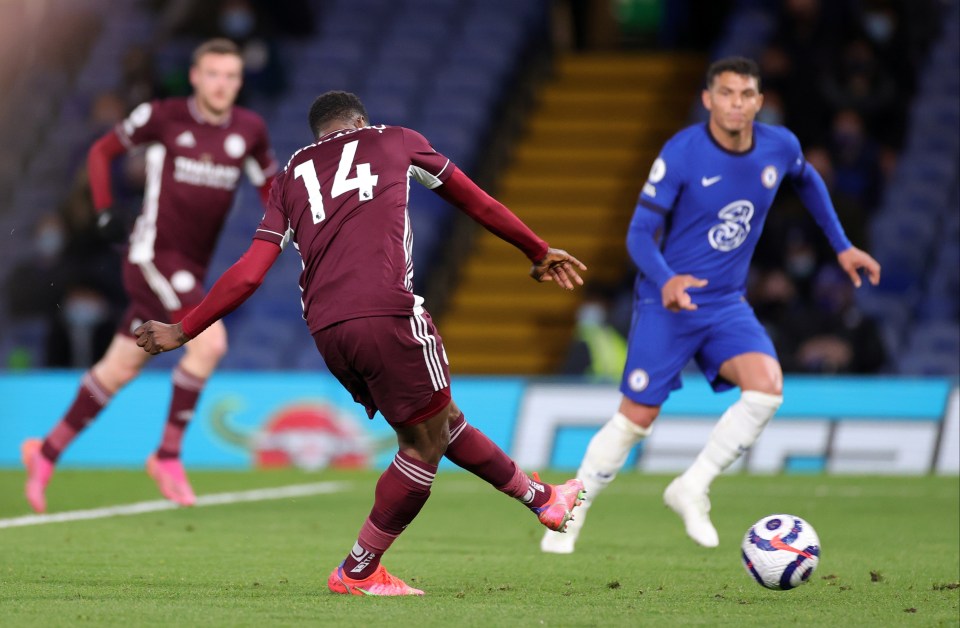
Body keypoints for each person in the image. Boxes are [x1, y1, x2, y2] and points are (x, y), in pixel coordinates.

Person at [133, 91, 589, 596]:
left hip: (328, 331)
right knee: (423, 445)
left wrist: (183, 329)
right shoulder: (395, 141)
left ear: (319, 135)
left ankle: (543, 499)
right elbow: (474, 199)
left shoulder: (289, 177)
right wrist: (537, 249)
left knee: (442, 421)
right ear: (359, 122)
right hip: (387, 313)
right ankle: (359, 569)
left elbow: (249, 273)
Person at [541, 56, 881, 554]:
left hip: (725, 302)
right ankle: (574, 509)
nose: (736, 104)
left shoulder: (779, 145)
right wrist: (667, 279)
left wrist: (842, 244)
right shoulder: (682, 153)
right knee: (637, 417)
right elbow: (637, 234)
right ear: (708, 99)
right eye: (726, 93)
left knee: (766, 389)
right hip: (668, 302)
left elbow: (806, 179)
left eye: (746, 95)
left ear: (759, 102)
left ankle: (692, 486)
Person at [21, 38, 278, 512]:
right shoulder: (164, 116)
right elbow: (102, 152)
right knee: (210, 342)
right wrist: (103, 210)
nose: (222, 84)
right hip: (153, 255)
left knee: (117, 369)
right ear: (196, 77)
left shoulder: (250, 129)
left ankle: (45, 451)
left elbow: (272, 190)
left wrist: (292, 231)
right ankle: (167, 455)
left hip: (190, 266)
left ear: (240, 82)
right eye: (213, 74)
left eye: (231, 76)